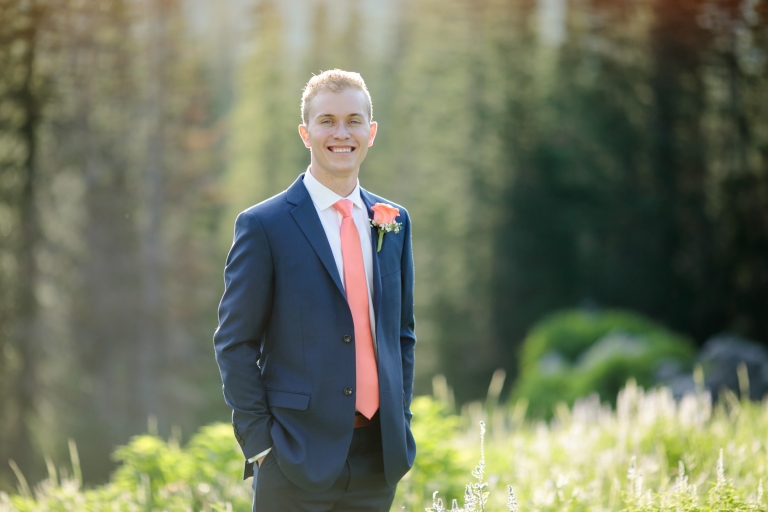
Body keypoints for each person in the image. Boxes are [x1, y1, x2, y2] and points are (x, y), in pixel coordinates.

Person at [213, 69, 416, 511]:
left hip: (377, 464)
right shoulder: (264, 226)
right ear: (305, 133)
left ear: (371, 132)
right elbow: (235, 343)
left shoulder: (393, 221)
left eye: (353, 121)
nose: (341, 133)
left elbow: (402, 334)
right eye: (326, 121)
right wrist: (262, 447)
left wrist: (400, 420)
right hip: (293, 462)